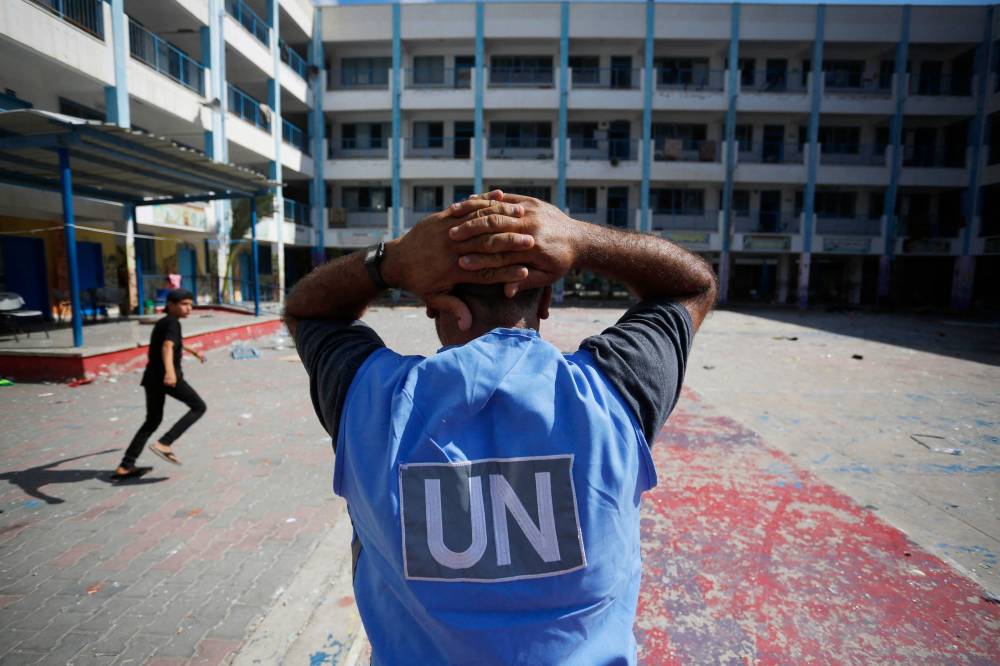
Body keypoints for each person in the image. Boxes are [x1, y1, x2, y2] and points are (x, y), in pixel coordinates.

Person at [284, 192, 717, 665]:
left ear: (435, 305)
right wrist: (582, 239)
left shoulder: (371, 400)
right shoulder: (614, 392)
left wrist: (391, 262)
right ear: (546, 300)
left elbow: (308, 309)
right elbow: (691, 285)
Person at [113, 288, 207, 480]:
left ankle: (126, 465)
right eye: (184, 304)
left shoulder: (166, 322)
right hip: (167, 378)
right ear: (170, 305)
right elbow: (167, 346)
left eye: (191, 304)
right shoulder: (173, 323)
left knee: (152, 420)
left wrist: (193, 351)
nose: (189, 308)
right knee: (198, 407)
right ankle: (165, 443)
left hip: (152, 378)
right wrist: (171, 373)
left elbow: (171, 342)